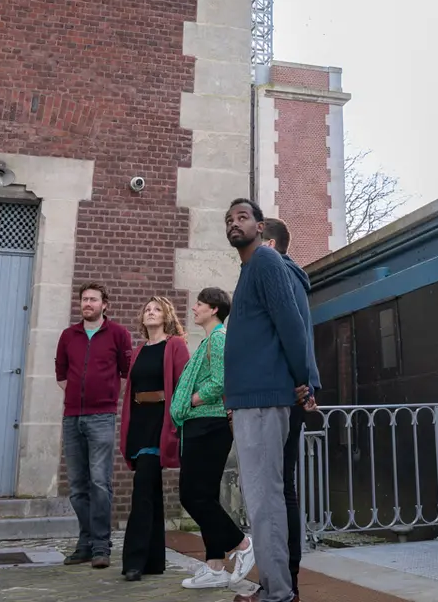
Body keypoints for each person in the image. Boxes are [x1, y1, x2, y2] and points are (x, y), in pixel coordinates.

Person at [222, 198, 319, 602]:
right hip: (249, 400)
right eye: (228, 219)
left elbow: (291, 324)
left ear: (261, 228)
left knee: (265, 500)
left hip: (264, 399)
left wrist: (304, 382)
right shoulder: (250, 270)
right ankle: (274, 587)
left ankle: (278, 592)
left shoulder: (265, 262)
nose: (234, 223)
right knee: (263, 499)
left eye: (243, 217)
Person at [173, 286, 249, 590]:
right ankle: (215, 566)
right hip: (201, 424)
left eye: (199, 304)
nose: (194, 308)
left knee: (192, 496)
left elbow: (219, 381)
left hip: (207, 423)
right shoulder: (209, 340)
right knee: (204, 495)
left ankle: (243, 545)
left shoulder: (218, 339)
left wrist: (192, 400)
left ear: (214, 309)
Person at [258, 217, 317, 595]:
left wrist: (303, 383)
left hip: (283, 394)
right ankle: (283, 578)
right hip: (284, 390)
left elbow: (295, 332)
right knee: (280, 487)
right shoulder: (284, 272)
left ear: (270, 244)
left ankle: (286, 580)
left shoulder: (282, 273)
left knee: (280, 488)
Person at [56, 283, 133, 569]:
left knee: (100, 482)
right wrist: (77, 396)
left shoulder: (119, 335)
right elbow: (61, 374)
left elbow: (126, 374)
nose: (87, 303)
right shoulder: (68, 335)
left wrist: (107, 398)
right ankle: (86, 542)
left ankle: (101, 546)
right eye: (84, 299)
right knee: (77, 486)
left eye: (93, 299)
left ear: (105, 304)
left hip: (101, 416)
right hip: (72, 416)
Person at [119, 297, 190, 581]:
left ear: (166, 316)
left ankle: (134, 561)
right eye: (147, 309)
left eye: (156, 309)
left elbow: (184, 384)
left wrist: (176, 425)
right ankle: (154, 561)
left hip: (159, 424)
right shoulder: (137, 352)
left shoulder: (175, 345)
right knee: (150, 491)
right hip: (138, 423)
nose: (150, 312)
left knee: (142, 489)